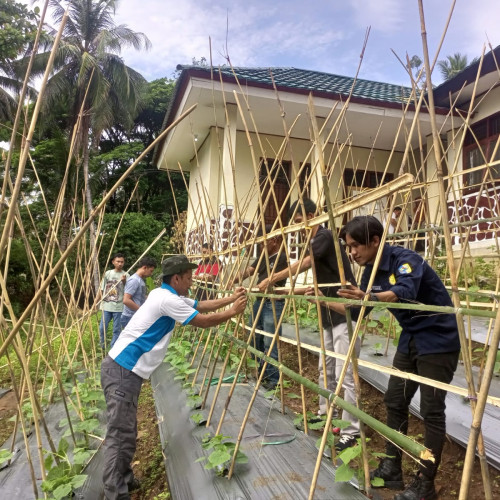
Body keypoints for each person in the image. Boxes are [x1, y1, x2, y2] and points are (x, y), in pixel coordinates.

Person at [311, 215, 460, 500]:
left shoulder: (405, 260)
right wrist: (321, 298)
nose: (351, 252)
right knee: (394, 400)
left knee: (431, 410)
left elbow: (405, 291)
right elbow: (358, 311)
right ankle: (392, 466)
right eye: (347, 246)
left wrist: (369, 296)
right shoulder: (369, 271)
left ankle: (425, 482)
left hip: (438, 339)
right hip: (411, 336)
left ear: (376, 241)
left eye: (355, 246)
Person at [101, 255, 247, 500]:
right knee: (120, 434)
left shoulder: (166, 294)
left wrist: (232, 298)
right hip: (123, 370)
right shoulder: (167, 300)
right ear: (176, 278)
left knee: (125, 429)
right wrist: (232, 312)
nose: (192, 282)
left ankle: (124, 479)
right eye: (189, 278)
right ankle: (115, 493)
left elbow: (201, 305)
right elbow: (201, 321)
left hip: (124, 370)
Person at [257, 199, 360, 451]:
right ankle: (326, 413)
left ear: (311, 216)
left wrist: (273, 278)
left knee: (346, 374)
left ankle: (351, 430)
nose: (297, 228)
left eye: (298, 221)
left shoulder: (323, 235)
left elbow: (305, 264)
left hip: (344, 312)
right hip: (328, 312)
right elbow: (318, 278)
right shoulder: (316, 241)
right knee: (326, 367)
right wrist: (301, 290)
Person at [231, 225, 287, 389]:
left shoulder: (281, 258)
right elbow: (250, 270)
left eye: (264, 243)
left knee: (270, 340)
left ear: (274, 240)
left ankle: (272, 379)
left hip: (273, 302)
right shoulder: (263, 256)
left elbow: (273, 280)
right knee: (253, 334)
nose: (262, 246)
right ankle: (260, 370)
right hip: (259, 301)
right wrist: (234, 279)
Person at [97, 253, 128, 350]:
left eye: (122, 262)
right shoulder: (108, 273)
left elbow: (128, 290)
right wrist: (96, 301)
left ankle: (113, 349)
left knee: (116, 329)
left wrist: (124, 281)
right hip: (106, 305)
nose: (120, 264)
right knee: (102, 328)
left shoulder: (126, 275)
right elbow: (101, 288)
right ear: (113, 262)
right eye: (118, 261)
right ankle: (102, 347)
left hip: (119, 307)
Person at [120, 256, 157, 329]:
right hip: (130, 317)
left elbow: (139, 296)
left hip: (135, 316)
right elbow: (126, 300)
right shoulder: (134, 280)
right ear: (145, 268)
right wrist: (141, 310)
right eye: (151, 271)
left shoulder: (140, 280)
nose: (151, 274)